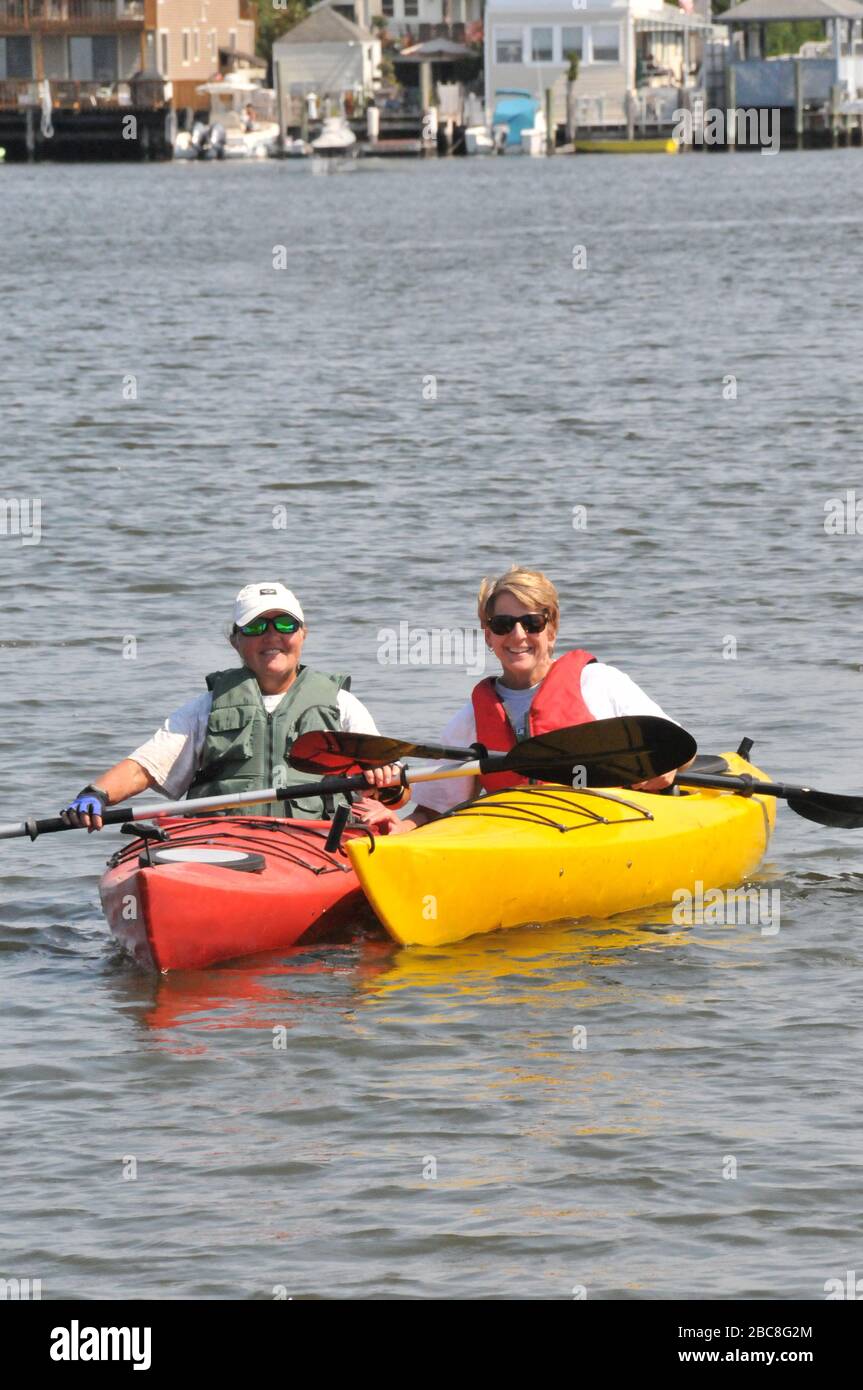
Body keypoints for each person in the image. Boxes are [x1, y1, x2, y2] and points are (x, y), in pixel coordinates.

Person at [365, 566, 691, 835]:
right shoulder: (471, 720)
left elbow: (679, 750)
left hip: (610, 829)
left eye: (532, 622)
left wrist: (669, 768)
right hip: (522, 836)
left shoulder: (599, 683)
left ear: (551, 630)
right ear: (488, 636)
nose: (518, 635)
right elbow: (435, 806)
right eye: (503, 625)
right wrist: (402, 826)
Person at [61, 582, 402, 832]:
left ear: (303, 633)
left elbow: (396, 795)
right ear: (235, 640)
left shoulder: (341, 705)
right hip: (222, 846)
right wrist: (96, 794)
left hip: (314, 845)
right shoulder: (206, 707)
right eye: (255, 627)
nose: (272, 636)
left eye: (285, 624)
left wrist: (387, 783)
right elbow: (145, 768)